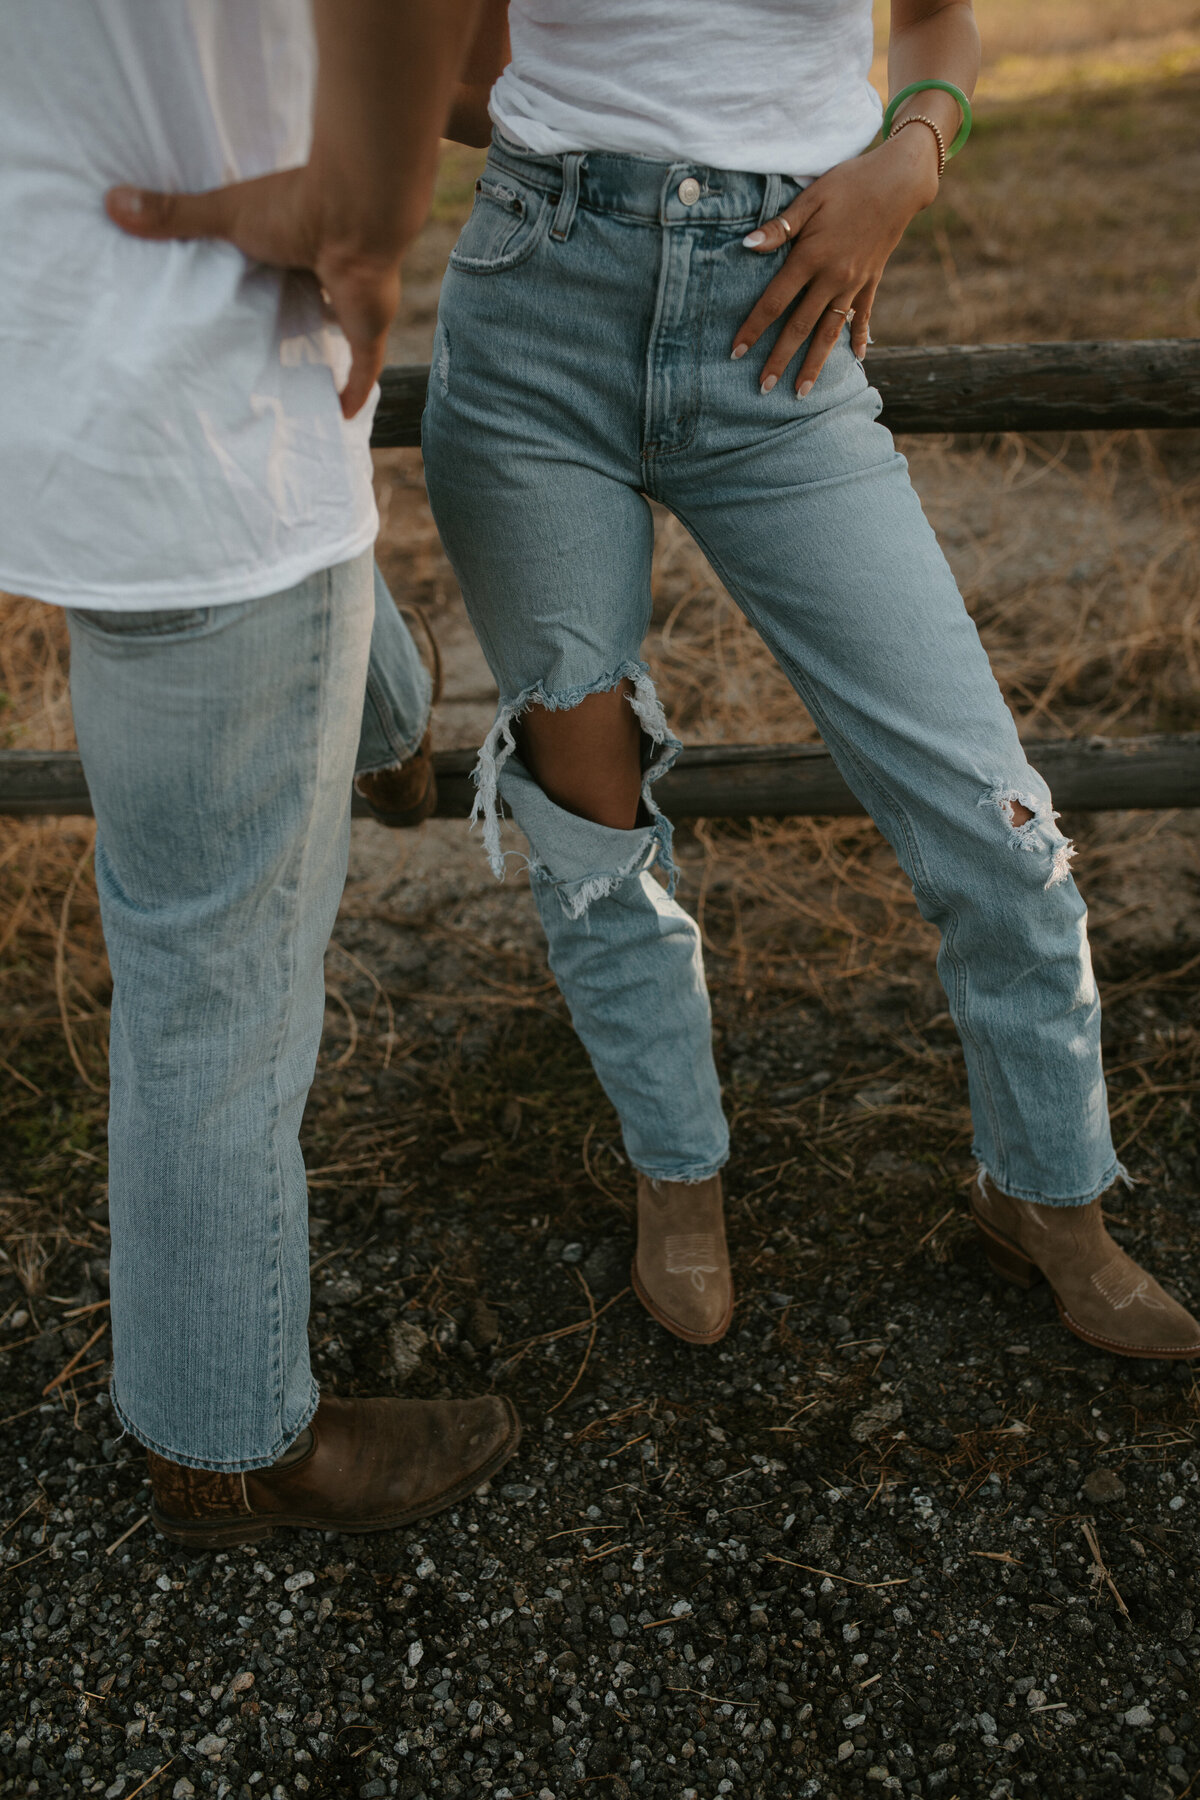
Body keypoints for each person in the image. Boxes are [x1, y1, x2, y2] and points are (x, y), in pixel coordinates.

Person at [419, 0, 1200, 1359]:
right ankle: (677, 1173)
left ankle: (1051, 1198)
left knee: (990, 812)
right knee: (591, 815)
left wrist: (905, 159)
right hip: (536, 322)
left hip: (782, 326)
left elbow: (943, 26)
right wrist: (608, 174)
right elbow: (432, 56)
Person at [0, 0, 522, 1546]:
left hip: (59, 386)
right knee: (213, 987)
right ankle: (226, 1433)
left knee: (301, 628)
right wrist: (362, 207)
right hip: (214, 411)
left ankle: (382, 715)